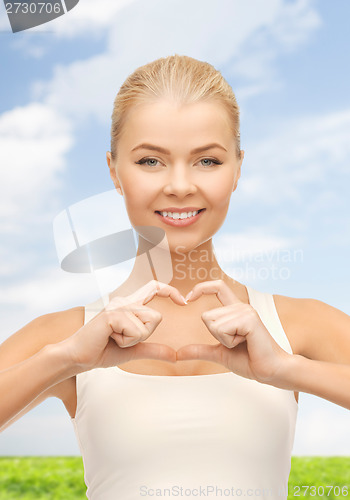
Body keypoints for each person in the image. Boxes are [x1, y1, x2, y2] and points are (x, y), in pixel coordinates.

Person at [1, 54, 350, 500]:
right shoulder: (66, 336)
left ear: (238, 168)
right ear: (114, 171)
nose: (181, 185)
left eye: (207, 161)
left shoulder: (297, 326)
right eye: (150, 161)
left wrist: (288, 368)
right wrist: (64, 360)